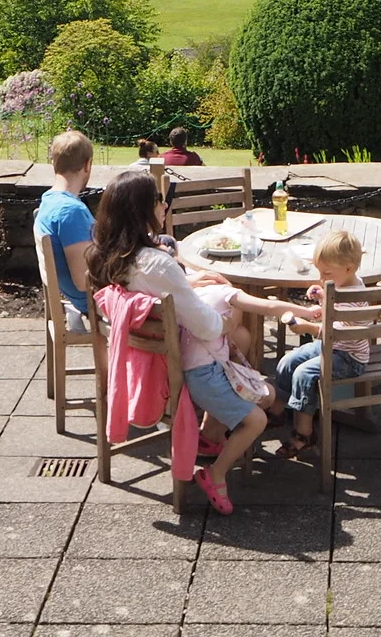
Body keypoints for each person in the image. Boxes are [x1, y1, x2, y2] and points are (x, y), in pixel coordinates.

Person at [87, 171, 268, 513]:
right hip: (173, 367)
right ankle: (224, 450)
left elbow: (159, 290)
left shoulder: (107, 256)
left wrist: (189, 282)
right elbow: (206, 326)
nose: (164, 205)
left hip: (136, 356)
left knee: (235, 339)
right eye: (158, 200)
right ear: (142, 210)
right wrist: (231, 318)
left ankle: (213, 431)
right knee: (241, 338)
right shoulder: (157, 262)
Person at [271, 232, 370, 457]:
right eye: (320, 272)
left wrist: (310, 328)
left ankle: (304, 433)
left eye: (326, 273)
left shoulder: (354, 298)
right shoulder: (342, 284)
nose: (322, 277)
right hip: (332, 347)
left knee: (304, 373)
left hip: (350, 358)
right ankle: (278, 411)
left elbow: (341, 334)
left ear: (350, 269)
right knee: (288, 362)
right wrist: (323, 296)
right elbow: (333, 308)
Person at [35, 131, 96, 333]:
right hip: (95, 304)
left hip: (77, 297)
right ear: (87, 165)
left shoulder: (48, 200)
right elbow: (83, 280)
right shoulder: (71, 212)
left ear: (55, 163)